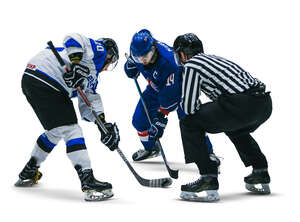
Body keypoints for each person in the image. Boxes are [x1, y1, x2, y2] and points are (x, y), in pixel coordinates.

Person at [15, 33, 120, 201]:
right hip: (47, 77)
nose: (107, 67)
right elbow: (73, 37)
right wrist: (77, 64)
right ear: (110, 54)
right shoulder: (98, 51)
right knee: (72, 130)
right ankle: (87, 180)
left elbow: (89, 103)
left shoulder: (92, 76)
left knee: (56, 131)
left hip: (32, 78)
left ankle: (30, 169)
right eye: (111, 61)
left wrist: (103, 124)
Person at [173, 33, 272, 202]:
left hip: (241, 105)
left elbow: (189, 108)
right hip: (263, 104)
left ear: (182, 54)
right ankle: (260, 171)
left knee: (189, 123)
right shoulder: (213, 59)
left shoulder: (192, 65)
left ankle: (208, 177)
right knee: (232, 126)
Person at [124, 29, 216, 162]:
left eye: (146, 56)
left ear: (154, 48)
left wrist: (161, 116)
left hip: (182, 90)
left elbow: (171, 96)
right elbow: (132, 63)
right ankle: (151, 148)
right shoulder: (137, 52)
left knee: (190, 121)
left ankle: (207, 154)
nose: (142, 60)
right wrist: (130, 68)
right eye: (139, 57)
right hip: (156, 88)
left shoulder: (169, 61)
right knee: (139, 120)